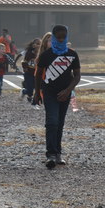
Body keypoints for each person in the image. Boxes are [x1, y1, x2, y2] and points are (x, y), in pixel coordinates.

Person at [33, 26, 81, 169]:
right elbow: (37, 75)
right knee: (52, 122)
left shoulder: (72, 54)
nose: (60, 40)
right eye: (58, 37)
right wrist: (37, 93)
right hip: (49, 92)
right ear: (53, 38)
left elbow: (77, 76)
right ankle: (50, 155)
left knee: (60, 123)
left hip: (64, 93)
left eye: (63, 37)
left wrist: (68, 91)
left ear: (66, 37)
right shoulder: (46, 55)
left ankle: (58, 153)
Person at [20, 38, 41, 103]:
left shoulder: (42, 54)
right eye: (36, 44)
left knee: (37, 87)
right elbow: (24, 61)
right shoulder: (29, 53)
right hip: (29, 73)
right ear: (33, 45)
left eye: (39, 44)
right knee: (30, 88)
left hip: (37, 73)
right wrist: (25, 68)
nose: (38, 45)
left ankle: (34, 99)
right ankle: (25, 92)